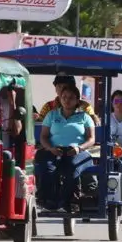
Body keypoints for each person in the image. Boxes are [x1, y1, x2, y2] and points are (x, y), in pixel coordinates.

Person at [38, 85, 96, 213]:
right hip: (54, 150)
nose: (67, 100)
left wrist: (79, 148)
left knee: (73, 167)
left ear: (77, 101)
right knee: (47, 167)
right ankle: (49, 200)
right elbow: (43, 136)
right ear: (60, 98)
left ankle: (67, 200)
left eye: (71, 98)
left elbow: (91, 139)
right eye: (64, 97)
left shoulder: (84, 117)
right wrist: (50, 148)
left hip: (77, 151)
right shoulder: (52, 115)